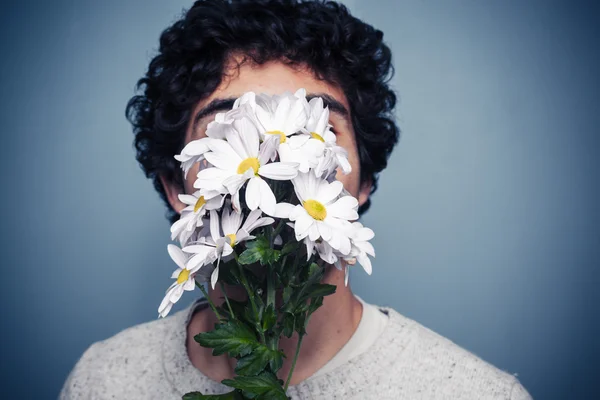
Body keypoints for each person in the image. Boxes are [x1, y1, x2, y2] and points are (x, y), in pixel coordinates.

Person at [60, 1, 532, 399]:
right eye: (229, 130)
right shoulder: (102, 381)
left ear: (363, 182)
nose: (279, 152)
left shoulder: (477, 393)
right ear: (175, 187)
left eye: (317, 132)